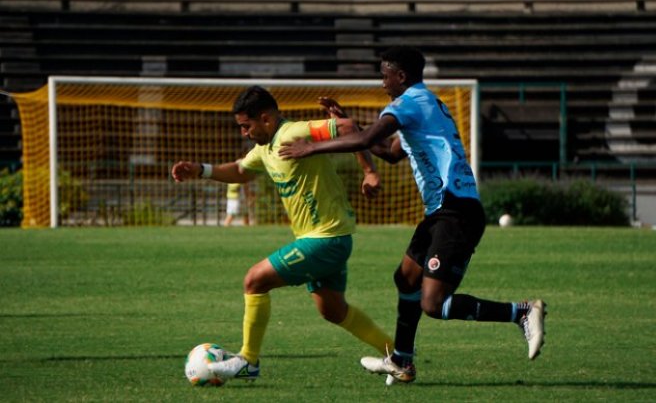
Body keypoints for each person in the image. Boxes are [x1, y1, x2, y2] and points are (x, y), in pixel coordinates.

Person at [279, 46, 546, 385]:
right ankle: (402, 361)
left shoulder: (409, 104)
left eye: (384, 75)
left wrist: (311, 147)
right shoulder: (425, 104)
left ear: (400, 76)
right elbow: (388, 152)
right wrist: (348, 124)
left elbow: (370, 138)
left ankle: (520, 312)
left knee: (433, 303)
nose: (382, 83)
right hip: (441, 211)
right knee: (405, 278)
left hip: (457, 211)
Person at [171, 86, 393, 382]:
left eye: (245, 126)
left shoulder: (294, 132)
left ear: (265, 118)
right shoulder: (265, 149)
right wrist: (201, 170)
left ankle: (248, 360)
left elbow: (348, 127)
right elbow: (240, 171)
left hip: (326, 238)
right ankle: (397, 354)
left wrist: (369, 171)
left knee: (255, 280)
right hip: (323, 238)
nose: (244, 133)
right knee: (333, 310)